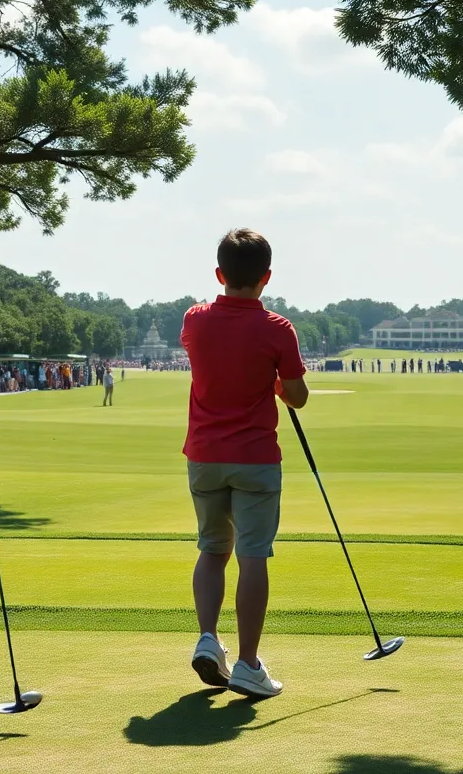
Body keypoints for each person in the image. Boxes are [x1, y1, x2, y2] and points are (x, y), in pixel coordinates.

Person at [180, 229, 309, 699]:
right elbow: (297, 396)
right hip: (255, 457)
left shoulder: (195, 320)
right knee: (253, 556)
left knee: (213, 549)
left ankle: (209, 639)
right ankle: (249, 665)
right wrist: (275, 382)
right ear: (266, 278)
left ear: (219, 274)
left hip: (204, 455)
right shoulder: (278, 329)